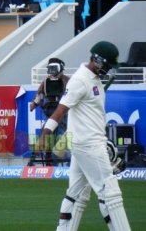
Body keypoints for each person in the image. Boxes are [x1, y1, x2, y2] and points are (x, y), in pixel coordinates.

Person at [38, 41, 131, 231]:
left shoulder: (94, 78)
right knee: (111, 193)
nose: (109, 70)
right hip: (88, 145)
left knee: (76, 195)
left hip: (89, 142)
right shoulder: (80, 80)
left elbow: (90, 115)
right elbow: (61, 110)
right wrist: (45, 134)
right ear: (96, 60)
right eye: (107, 65)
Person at [30, 58, 70, 164]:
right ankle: (47, 161)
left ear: (60, 68)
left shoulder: (67, 80)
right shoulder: (45, 82)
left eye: (54, 68)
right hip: (49, 113)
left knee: (61, 140)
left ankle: (65, 160)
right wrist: (34, 104)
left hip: (62, 114)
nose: (52, 71)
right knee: (45, 137)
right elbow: (39, 94)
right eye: (50, 68)